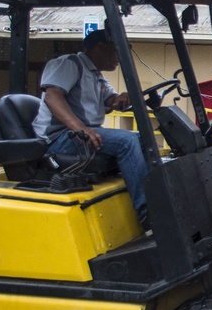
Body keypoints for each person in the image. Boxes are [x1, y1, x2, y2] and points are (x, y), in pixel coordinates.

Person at [32, 28, 149, 225]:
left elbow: (110, 100)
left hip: (81, 136)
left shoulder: (96, 76)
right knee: (127, 142)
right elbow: (53, 96)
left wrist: (120, 99)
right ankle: (149, 213)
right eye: (117, 50)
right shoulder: (70, 64)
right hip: (61, 138)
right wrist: (80, 128)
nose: (120, 57)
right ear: (100, 47)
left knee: (144, 137)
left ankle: (150, 196)